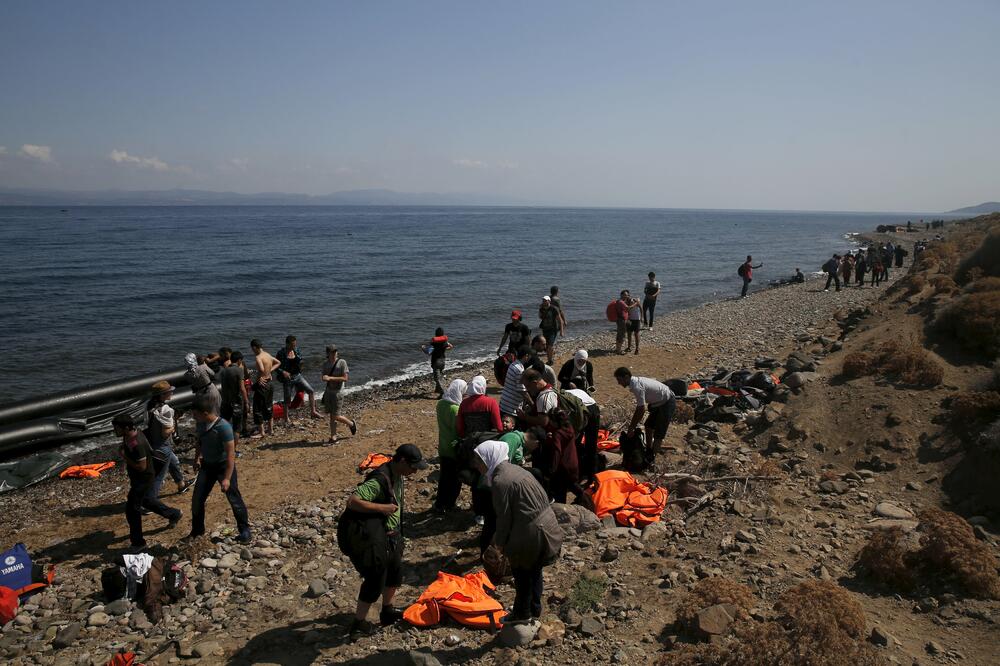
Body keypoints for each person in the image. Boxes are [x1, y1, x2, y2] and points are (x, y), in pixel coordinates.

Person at [343, 444, 428, 638]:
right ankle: (359, 622)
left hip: (393, 534)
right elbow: (353, 502)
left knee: (395, 573)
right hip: (378, 537)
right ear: (402, 461)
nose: (414, 472)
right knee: (375, 579)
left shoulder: (398, 473)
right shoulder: (380, 479)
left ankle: (387, 610)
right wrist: (382, 509)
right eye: (413, 467)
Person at [472, 440, 562, 623]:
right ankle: (534, 608)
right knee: (535, 570)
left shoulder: (500, 481)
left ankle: (521, 615)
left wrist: (498, 545)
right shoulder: (516, 469)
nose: (476, 464)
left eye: (478, 459)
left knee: (522, 573)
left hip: (531, 531)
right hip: (546, 524)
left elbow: (504, 519)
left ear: (489, 459)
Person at [187, 394, 251, 544]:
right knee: (197, 500)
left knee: (234, 498)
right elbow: (200, 441)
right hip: (207, 466)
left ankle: (245, 530)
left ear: (205, 413)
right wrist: (196, 458)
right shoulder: (201, 424)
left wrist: (227, 478)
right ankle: (197, 531)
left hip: (223, 467)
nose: (193, 417)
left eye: (195, 414)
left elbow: (230, 454)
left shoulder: (224, 427)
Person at [114, 412, 182, 552]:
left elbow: (141, 466)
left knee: (132, 510)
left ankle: (138, 543)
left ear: (126, 428)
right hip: (140, 478)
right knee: (147, 501)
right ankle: (173, 514)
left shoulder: (136, 442)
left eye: (117, 428)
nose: (115, 431)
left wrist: (125, 457)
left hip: (143, 479)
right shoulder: (130, 436)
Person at [517, 370, 580, 503]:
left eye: (528, 386)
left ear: (535, 383)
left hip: (547, 443)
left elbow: (543, 421)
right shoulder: (549, 391)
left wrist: (525, 417)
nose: (528, 390)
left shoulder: (544, 397)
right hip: (565, 459)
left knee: (549, 478)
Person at [614, 367, 676, 458]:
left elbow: (641, 409)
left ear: (626, 377)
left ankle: (652, 458)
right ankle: (649, 450)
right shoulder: (634, 383)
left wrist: (631, 427)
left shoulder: (637, 386)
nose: (619, 383)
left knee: (659, 433)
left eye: (619, 380)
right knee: (648, 426)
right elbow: (640, 408)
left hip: (667, 401)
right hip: (658, 403)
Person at [144, 381, 191, 498]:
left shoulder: (149, 405)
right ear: (162, 395)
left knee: (174, 462)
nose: (171, 392)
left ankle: (181, 484)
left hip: (153, 442)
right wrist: (173, 427)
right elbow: (165, 433)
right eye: (169, 391)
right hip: (163, 446)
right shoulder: (166, 410)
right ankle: (149, 502)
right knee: (159, 477)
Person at [434, 378, 467, 512]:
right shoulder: (456, 409)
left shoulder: (440, 404)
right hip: (454, 447)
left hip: (443, 446)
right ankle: (450, 503)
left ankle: (439, 503)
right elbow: (459, 430)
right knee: (455, 479)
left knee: (444, 477)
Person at [276, 335, 322, 422]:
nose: (294, 346)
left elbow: (301, 360)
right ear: (287, 344)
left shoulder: (296, 350)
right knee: (287, 400)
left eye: (295, 344)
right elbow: (275, 366)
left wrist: (299, 361)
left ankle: (313, 412)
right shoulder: (281, 353)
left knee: (311, 391)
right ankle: (286, 418)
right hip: (288, 379)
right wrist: (283, 372)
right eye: (292, 345)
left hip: (297, 375)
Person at [321, 345, 357, 444]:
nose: (334, 354)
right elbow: (324, 376)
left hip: (338, 392)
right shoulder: (325, 364)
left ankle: (351, 424)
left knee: (336, 415)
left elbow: (345, 378)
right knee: (332, 415)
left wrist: (330, 378)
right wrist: (324, 377)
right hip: (328, 391)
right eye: (332, 352)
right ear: (328, 353)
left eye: (335, 352)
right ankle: (333, 436)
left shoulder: (342, 362)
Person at [250, 339, 281, 436]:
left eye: (252, 349)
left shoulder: (258, 357)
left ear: (254, 347)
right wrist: (270, 371)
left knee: (257, 408)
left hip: (262, 384)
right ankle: (271, 430)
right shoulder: (267, 355)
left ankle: (262, 432)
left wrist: (259, 377)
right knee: (268, 406)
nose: (252, 350)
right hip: (270, 383)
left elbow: (262, 369)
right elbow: (278, 362)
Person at [219, 351, 251, 441]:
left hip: (225, 401)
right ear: (239, 360)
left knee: (224, 423)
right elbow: (242, 388)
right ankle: (234, 450)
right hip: (236, 402)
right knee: (237, 427)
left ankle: (223, 444)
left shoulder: (223, 371)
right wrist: (246, 401)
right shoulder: (238, 370)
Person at [499, 347, 529, 417]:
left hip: (504, 403)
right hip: (512, 408)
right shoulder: (519, 370)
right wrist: (532, 403)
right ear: (526, 356)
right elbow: (522, 390)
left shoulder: (513, 364)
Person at [425, 328, 453, 398]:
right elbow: (451, 346)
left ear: (436, 334)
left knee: (437, 378)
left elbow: (428, 352)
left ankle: (443, 393)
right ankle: (437, 389)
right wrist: (444, 349)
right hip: (443, 361)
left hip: (436, 361)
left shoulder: (433, 343)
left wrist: (423, 348)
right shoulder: (445, 342)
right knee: (439, 375)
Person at [613, 290, 629, 355]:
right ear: (621, 295)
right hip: (621, 320)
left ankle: (617, 349)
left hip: (619, 320)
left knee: (619, 334)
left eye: (627, 295)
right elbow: (628, 308)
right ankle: (619, 350)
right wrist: (637, 303)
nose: (626, 296)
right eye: (625, 295)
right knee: (622, 335)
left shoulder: (619, 301)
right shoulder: (621, 302)